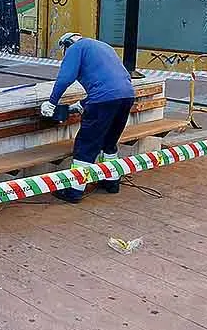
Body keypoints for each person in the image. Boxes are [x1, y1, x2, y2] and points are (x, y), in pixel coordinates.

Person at [40, 32, 135, 203]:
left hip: (103, 100)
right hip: (126, 96)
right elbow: (112, 80)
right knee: (109, 142)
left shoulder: (76, 48)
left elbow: (65, 78)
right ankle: (111, 182)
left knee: (86, 144)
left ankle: (74, 191)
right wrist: (83, 104)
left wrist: (52, 103)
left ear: (67, 44)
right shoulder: (103, 46)